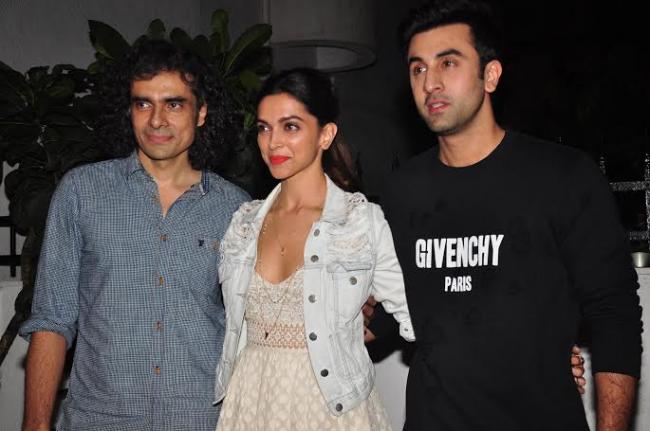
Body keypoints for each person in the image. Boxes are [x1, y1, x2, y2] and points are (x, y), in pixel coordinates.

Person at [371, 1, 643, 430]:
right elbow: (390, 309)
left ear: (491, 75)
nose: (430, 82)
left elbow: (614, 314)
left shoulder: (562, 176)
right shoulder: (401, 191)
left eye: (448, 63)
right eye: (418, 68)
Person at [19, 39, 249, 431]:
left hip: (200, 420)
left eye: (173, 104)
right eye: (143, 103)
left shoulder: (235, 208)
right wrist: (36, 425)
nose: (156, 120)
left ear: (201, 113)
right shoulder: (82, 192)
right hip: (99, 420)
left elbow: (248, 327)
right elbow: (51, 319)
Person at [214, 68, 414, 430]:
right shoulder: (243, 224)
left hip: (331, 405)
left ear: (325, 134)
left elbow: (414, 314)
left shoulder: (359, 220)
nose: (273, 142)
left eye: (290, 126)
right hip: (253, 399)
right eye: (264, 128)